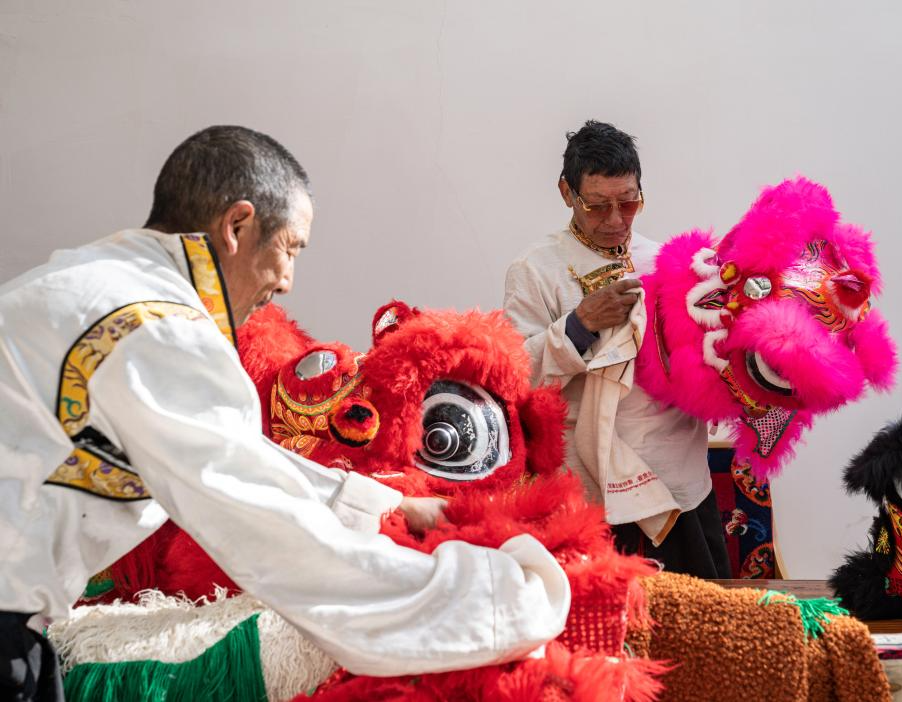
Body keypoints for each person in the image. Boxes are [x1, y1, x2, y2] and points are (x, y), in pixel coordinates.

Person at [0, 126, 569, 700]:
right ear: (238, 225)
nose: (288, 281)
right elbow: (266, 528)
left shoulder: (86, 283)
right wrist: (495, 604)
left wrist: (384, 505)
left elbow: (241, 459)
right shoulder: (155, 328)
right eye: (291, 248)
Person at [503, 120, 729, 578]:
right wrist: (580, 325)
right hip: (589, 488)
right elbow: (515, 376)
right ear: (566, 193)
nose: (614, 220)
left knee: (696, 617)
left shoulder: (667, 261)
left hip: (677, 478)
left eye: (628, 203)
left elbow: (703, 355)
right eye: (597, 206)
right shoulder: (534, 269)